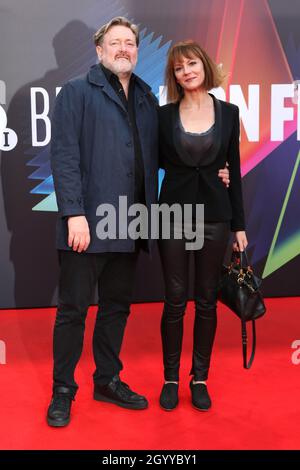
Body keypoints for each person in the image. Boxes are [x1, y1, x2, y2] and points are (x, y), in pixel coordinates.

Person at [47, 18, 230, 427]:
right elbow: (64, 156)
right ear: (99, 51)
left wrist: (219, 170)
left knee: (115, 309)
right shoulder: (76, 93)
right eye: (115, 43)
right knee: (74, 310)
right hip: (87, 224)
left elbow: (175, 157)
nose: (124, 49)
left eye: (130, 43)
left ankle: (107, 379)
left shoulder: (148, 101)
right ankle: (63, 390)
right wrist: (74, 213)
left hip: (129, 224)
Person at [158, 40, 248, 411]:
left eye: (192, 64)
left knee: (206, 301)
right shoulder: (163, 116)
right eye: (179, 68)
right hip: (173, 217)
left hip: (216, 215)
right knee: (175, 301)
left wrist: (239, 226)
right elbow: (151, 167)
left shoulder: (228, 113)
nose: (187, 72)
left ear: (204, 66)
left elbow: (235, 172)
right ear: (175, 76)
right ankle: (170, 379)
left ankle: (200, 378)